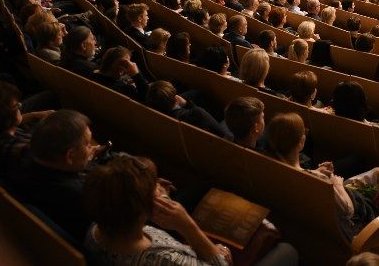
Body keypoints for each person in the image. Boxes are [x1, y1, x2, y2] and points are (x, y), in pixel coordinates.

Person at [83, 155, 297, 266]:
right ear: (141, 209)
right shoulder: (166, 260)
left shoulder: (95, 230)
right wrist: (188, 226)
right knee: (287, 251)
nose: (159, 185)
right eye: (153, 187)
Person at [264, 112, 379, 239]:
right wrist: (336, 183)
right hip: (348, 221)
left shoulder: (271, 169)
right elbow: (348, 210)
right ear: (301, 142)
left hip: (311, 229)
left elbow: (305, 176)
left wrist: (317, 171)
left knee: (376, 172)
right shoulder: (317, 180)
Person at [17, 110, 99, 242]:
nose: (92, 147)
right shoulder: (82, 195)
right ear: (70, 156)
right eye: (88, 144)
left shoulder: (24, 159)